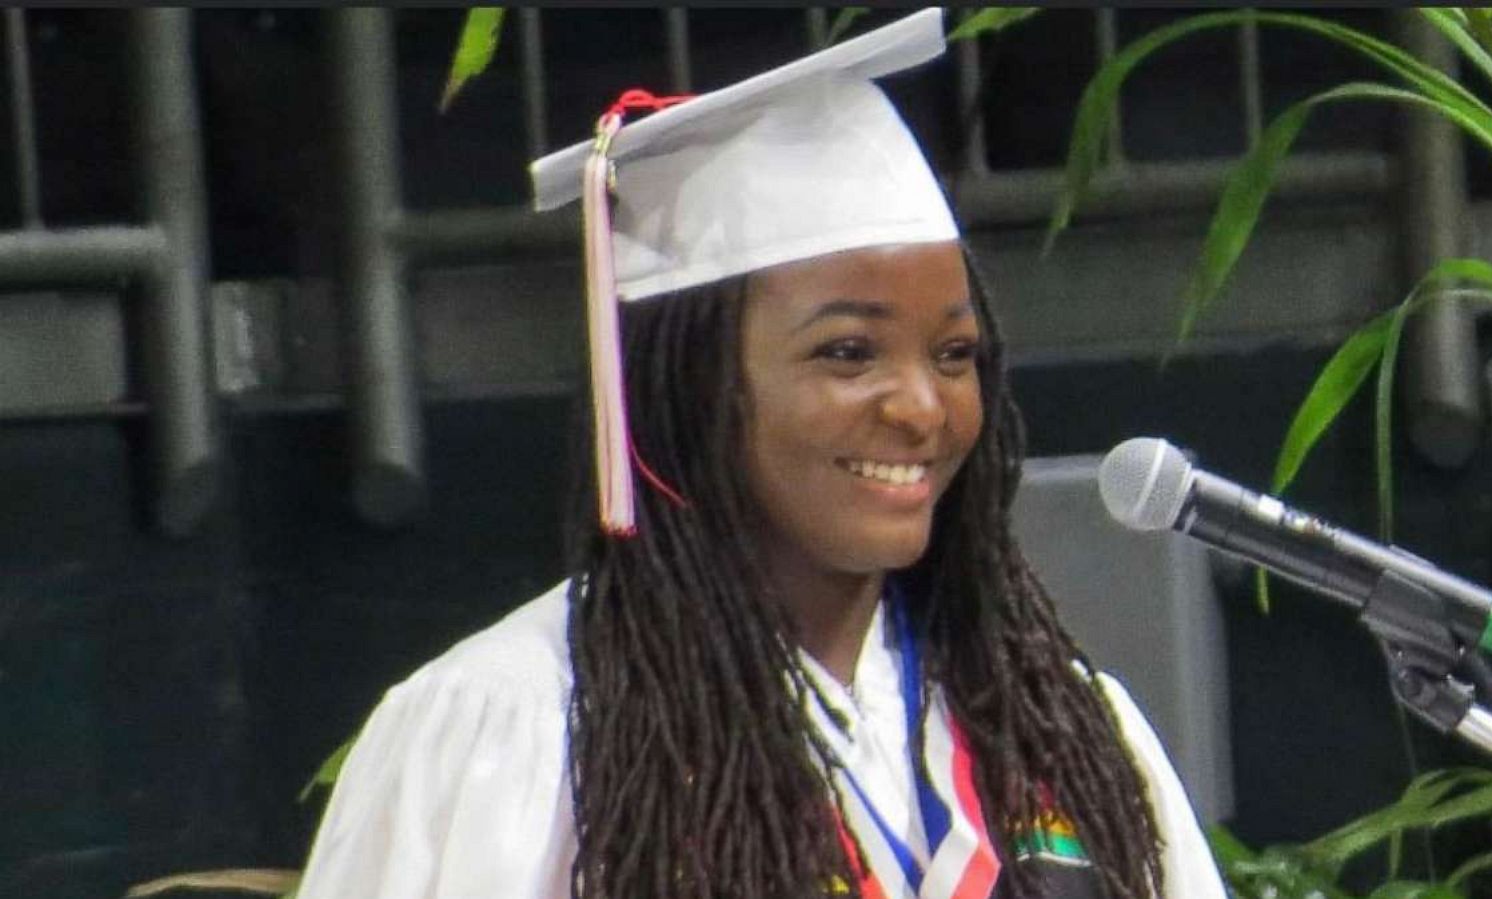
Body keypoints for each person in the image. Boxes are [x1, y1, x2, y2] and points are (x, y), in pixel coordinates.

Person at [294, 10, 1227, 899]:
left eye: (954, 354)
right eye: (848, 352)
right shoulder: (522, 725)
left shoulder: (1055, 728)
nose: (919, 406)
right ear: (690, 385)